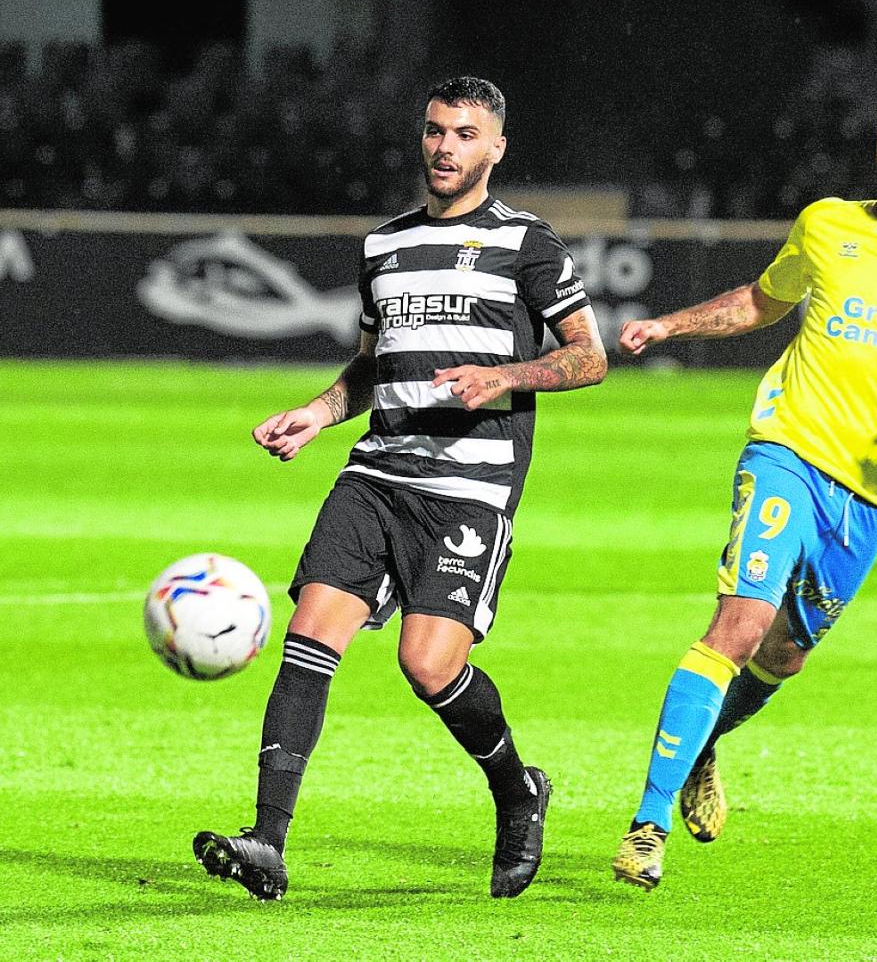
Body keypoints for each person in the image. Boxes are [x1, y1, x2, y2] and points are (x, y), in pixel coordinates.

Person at [193, 76, 607, 901]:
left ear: (495, 148)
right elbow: (371, 365)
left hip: (470, 490)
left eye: (464, 134)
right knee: (312, 627)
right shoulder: (384, 245)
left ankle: (516, 790)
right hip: (377, 473)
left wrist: (505, 377)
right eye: (435, 131)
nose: (446, 147)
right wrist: (318, 413)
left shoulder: (529, 243)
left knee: (427, 664)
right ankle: (268, 840)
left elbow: (589, 357)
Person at [611, 75, 877, 890]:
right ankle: (646, 826)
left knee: (784, 655)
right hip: (787, 452)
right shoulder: (827, 226)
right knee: (740, 621)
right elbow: (763, 301)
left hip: (872, 494)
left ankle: (704, 746)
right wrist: (670, 323)